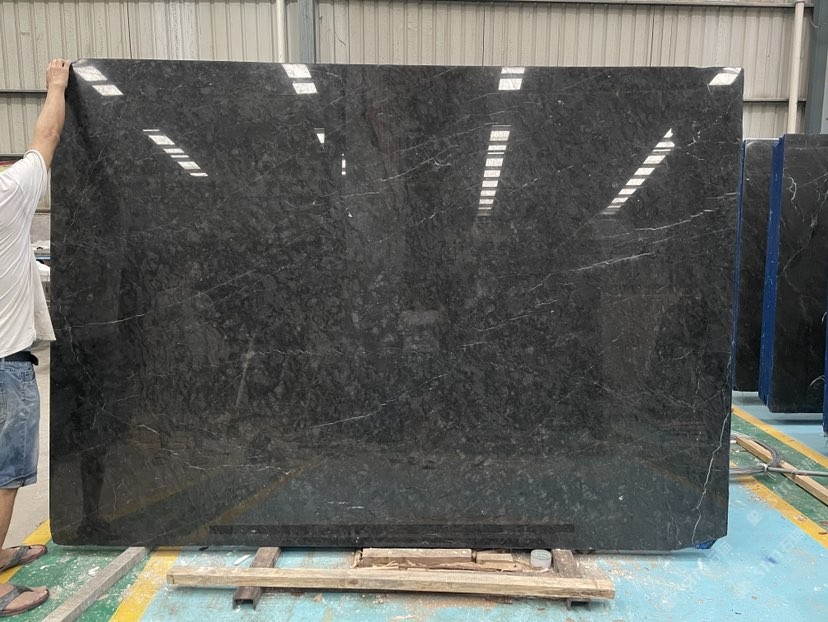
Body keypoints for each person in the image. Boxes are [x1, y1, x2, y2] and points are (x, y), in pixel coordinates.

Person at [0, 58, 69, 618]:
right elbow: (45, 138)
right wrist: (55, 86)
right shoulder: (8, 195)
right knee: (4, 476)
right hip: (5, 363)